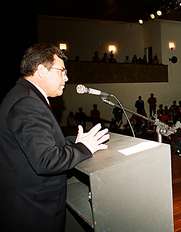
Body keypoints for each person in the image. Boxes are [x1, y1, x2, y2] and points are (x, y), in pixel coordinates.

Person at [0, 43, 110, 232]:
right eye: (62, 71)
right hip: (34, 212)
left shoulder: (23, 94)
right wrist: (84, 148)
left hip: (28, 204)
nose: (66, 78)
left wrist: (75, 142)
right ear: (42, 70)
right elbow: (46, 160)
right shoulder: (28, 103)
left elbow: (37, 144)